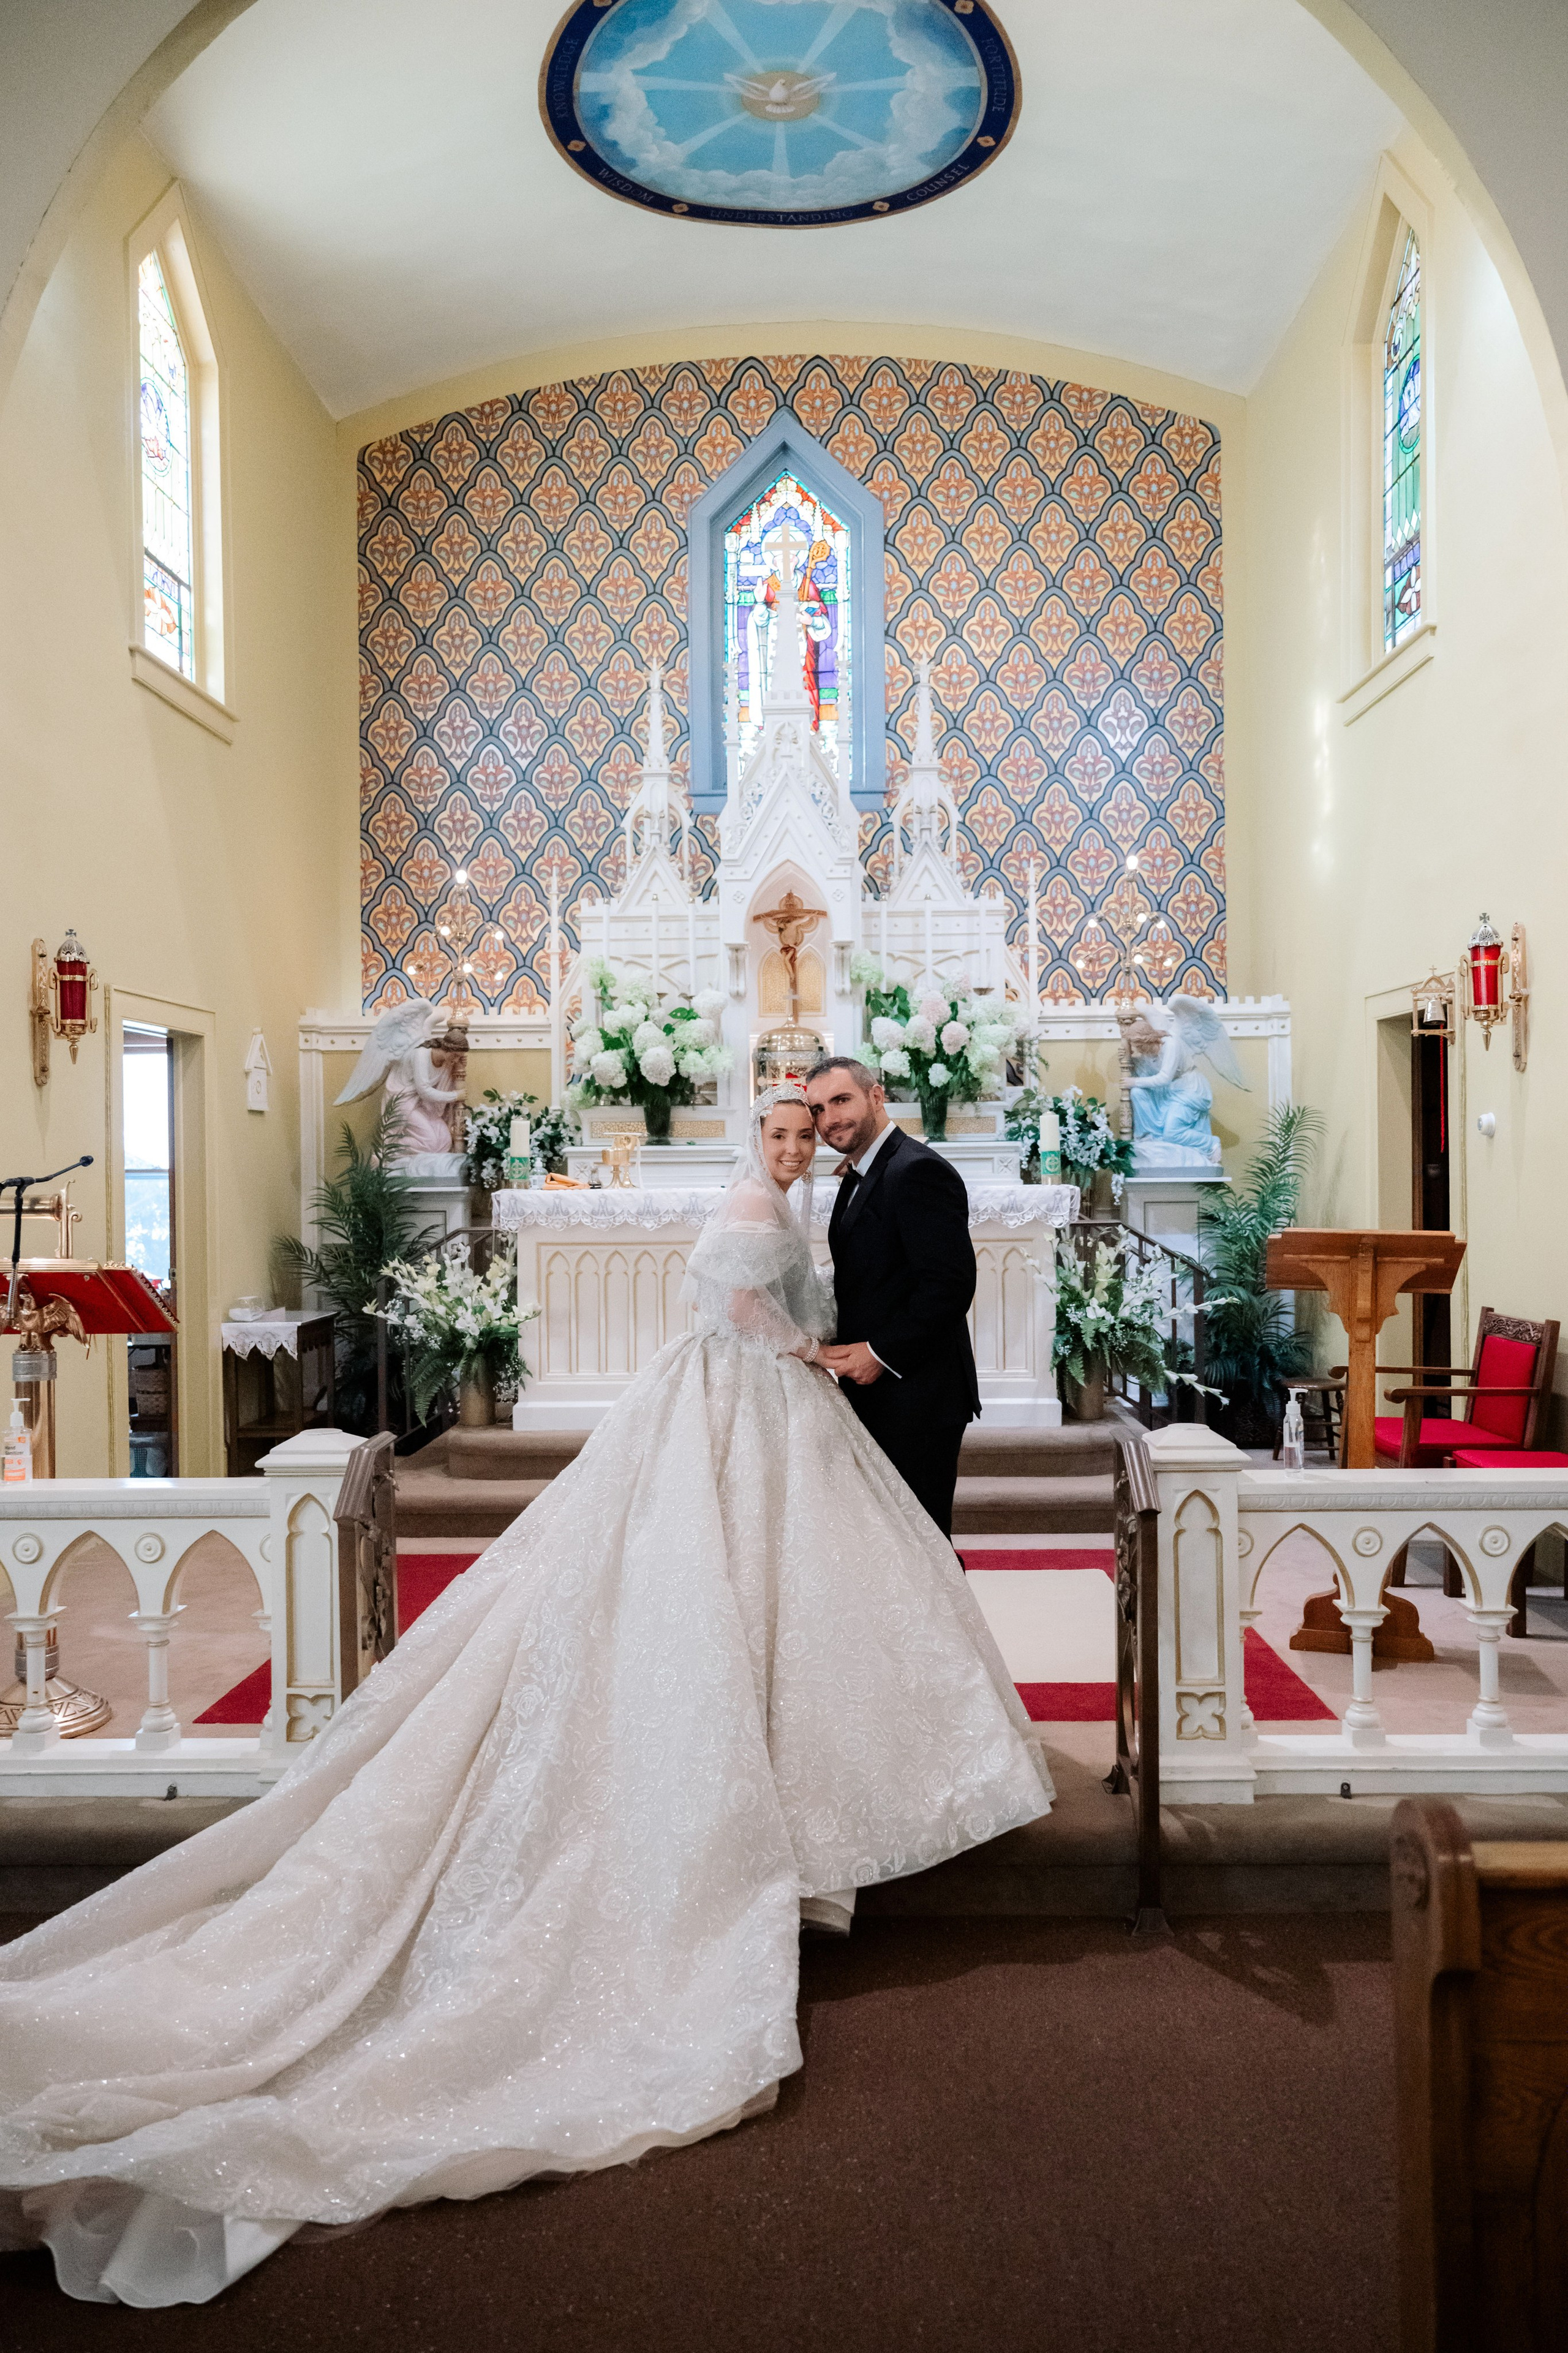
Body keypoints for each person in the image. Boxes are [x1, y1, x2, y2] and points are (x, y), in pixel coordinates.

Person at [0, 1084, 1050, 2309]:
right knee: (722, 1595)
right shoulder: (759, 1195)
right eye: (779, 1126)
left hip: (785, 1405)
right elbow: (731, 1300)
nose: (792, 1139)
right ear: (754, 1135)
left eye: (805, 1125)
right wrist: (803, 1352)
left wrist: (816, 1352)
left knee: (808, 1593)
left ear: (837, 1121)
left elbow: (843, 1295)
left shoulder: (845, 1182)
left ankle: (803, 1800)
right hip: (747, 1394)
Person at [805, 1057, 979, 1539]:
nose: (830, 1119)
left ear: (876, 1096)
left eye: (842, 1100)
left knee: (923, 1543)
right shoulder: (863, 1170)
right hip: (880, 1394)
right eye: (818, 1109)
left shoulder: (917, 1169)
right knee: (892, 1547)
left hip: (919, 1392)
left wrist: (880, 1353)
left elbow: (949, 1284)